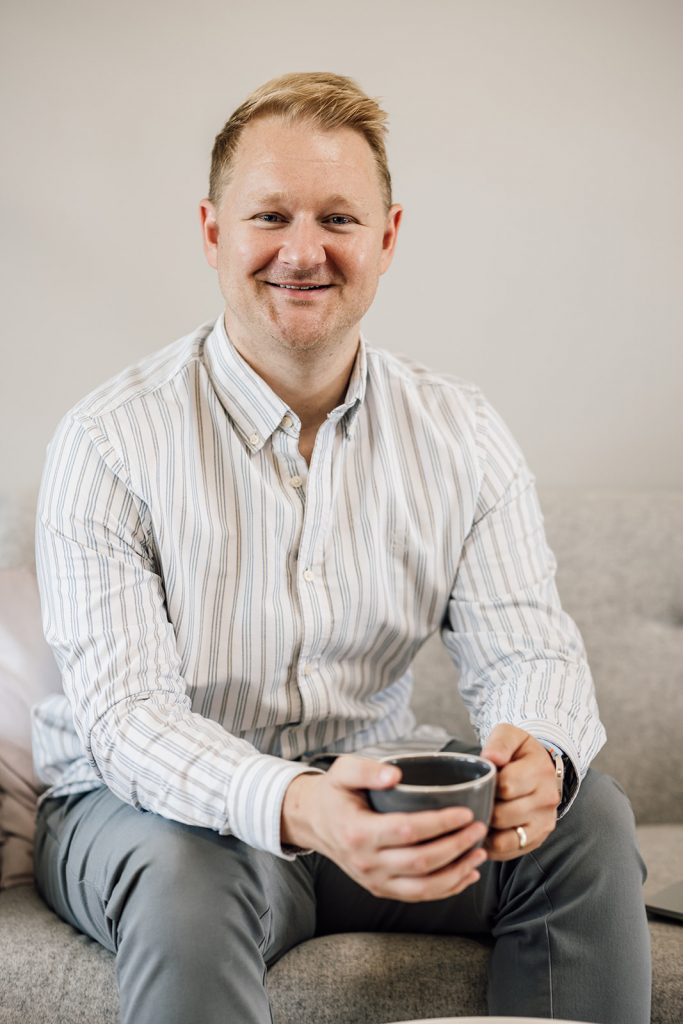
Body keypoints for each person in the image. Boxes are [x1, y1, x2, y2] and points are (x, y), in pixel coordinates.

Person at [33, 71, 650, 1024]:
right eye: (270, 215)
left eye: (339, 219)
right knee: (185, 876)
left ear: (388, 238)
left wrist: (543, 758)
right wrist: (299, 806)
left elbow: (529, 650)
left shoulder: (462, 431)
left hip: (370, 783)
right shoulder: (109, 441)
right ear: (212, 231)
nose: (302, 250)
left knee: (588, 821)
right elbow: (127, 723)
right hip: (151, 810)